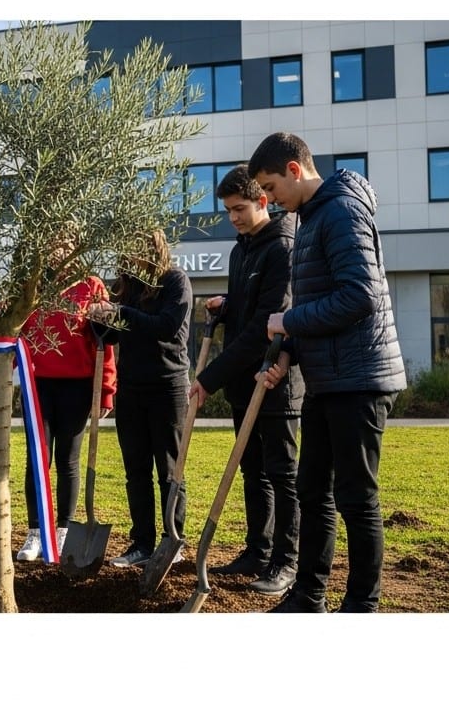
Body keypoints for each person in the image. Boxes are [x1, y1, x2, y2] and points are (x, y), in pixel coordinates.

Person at [250, 132, 407, 614]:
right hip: (327, 376)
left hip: (359, 378)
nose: (269, 200)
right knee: (312, 489)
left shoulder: (340, 211)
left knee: (356, 498)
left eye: (272, 187)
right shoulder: (309, 219)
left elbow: (359, 296)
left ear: (295, 170)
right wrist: (287, 353)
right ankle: (308, 596)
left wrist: (287, 322)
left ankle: (361, 606)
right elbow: (322, 304)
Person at [188, 164, 305, 598]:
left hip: (275, 379)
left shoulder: (282, 248)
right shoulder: (242, 251)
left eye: (240, 208)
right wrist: (226, 303)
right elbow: (246, 307)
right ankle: (258, 550)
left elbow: (267, 323)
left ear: (262, 201)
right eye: (228, 211)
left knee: (281, 474)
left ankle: (286, 562)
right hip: (245, 383)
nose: (233, 217)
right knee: (252, 472)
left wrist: (209, 377)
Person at [87, 229, 192, 568]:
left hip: (168, 387)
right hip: (131, 388)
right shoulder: (127, 286)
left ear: (152, 247)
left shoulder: (175, 282)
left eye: (134, 247)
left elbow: (165, 327)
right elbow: (115, 337)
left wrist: (121, 313)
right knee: (136, 470)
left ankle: (173, 540)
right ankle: (141, 543)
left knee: (169, 469)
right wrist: (100, 322)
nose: (129, 254)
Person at [16, 257, 117, 562]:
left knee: (68, 460)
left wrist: (106, 392)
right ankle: (36, 532)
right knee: (37, 460)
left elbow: (105, 343)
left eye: (64, 244)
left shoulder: (92, 286)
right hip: (37, 386)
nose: (57, 252)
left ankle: (62, 531)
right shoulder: (31, 283)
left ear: (74, 247)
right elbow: (16, 330)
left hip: (78, 386)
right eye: (52, 245)